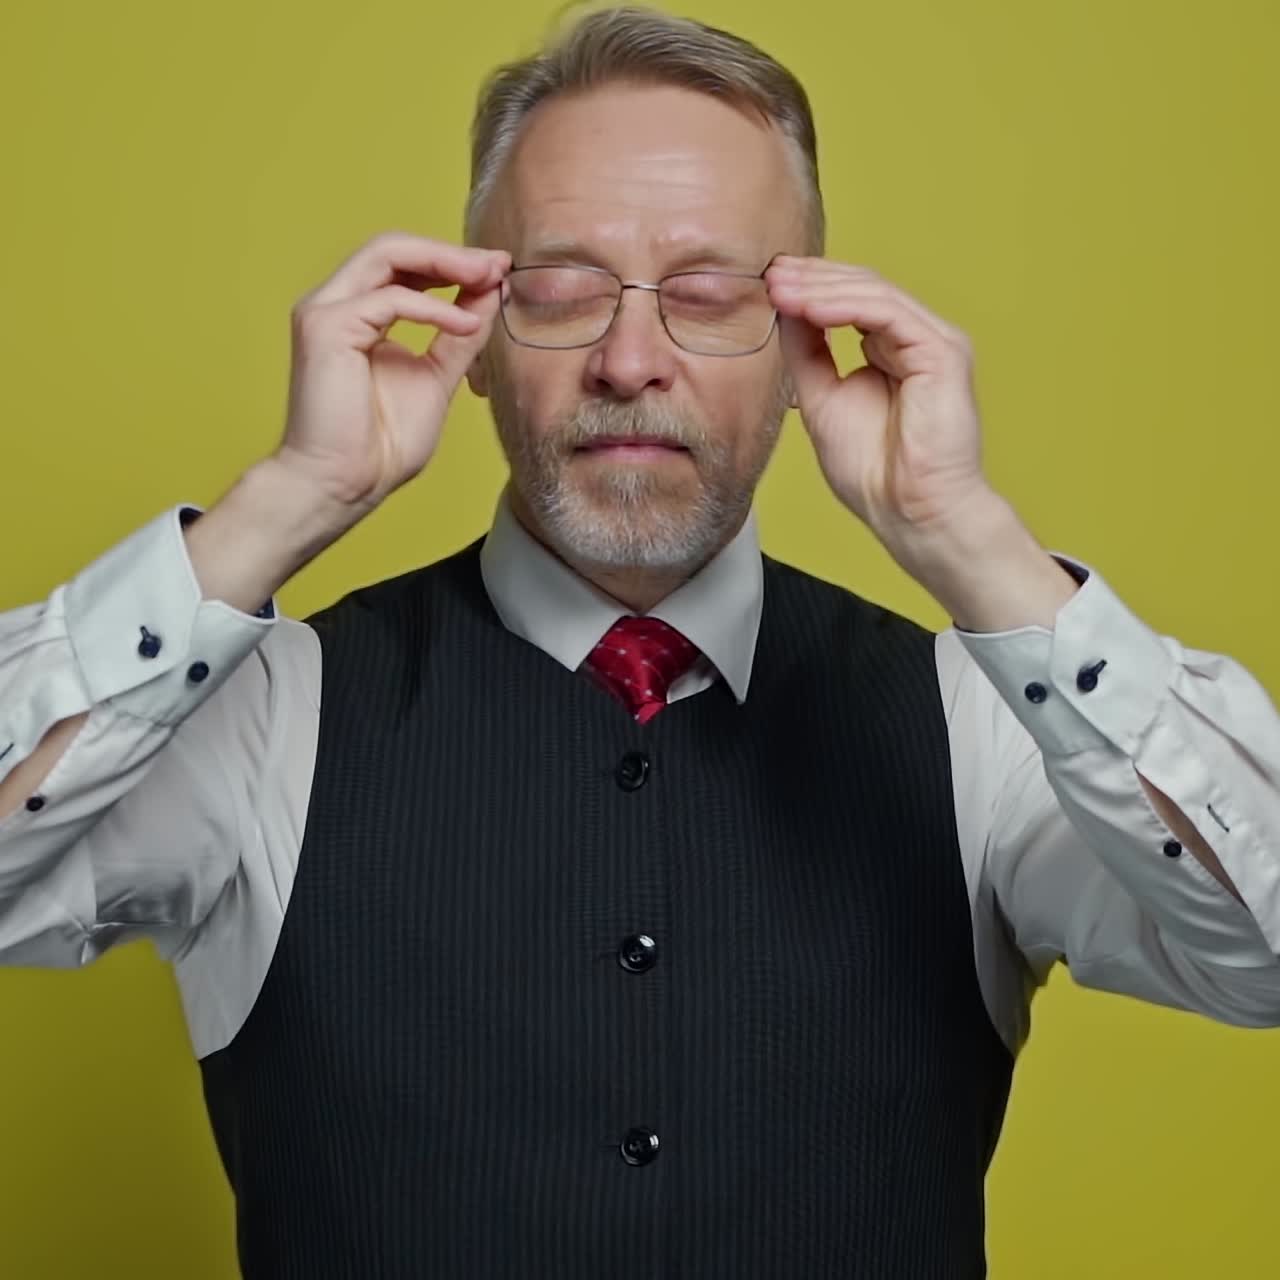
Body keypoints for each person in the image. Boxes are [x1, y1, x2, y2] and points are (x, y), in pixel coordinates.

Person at [2, 5, 1278, 1277]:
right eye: (556, 290)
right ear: (476, 339)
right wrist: (282, 503)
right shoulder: (261, 708)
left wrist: (975, 545)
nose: (628, 358)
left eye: (710, 295)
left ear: (803, 352)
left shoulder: (988, 716)